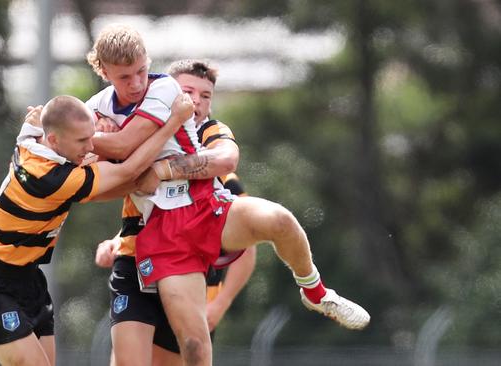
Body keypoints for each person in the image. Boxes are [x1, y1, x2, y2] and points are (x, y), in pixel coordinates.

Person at [85, 24, 370, 366]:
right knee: (193, 346)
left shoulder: (165, 92)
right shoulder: (98, 107)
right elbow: (83, 153)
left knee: (278, 219)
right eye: (124, 77)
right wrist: (64, 132)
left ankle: (316, 291)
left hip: (206, 205)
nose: (136, 84)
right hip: (163, 233)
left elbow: (220, 159)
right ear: (105, 73)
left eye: (141, 71)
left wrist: (114, 149)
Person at [0, 93, 194, 366]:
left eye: (91, 136)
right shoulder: (51, 178)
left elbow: (37, 125)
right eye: (82, 141)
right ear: (55, 140)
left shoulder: (33, 139)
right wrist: (174, 121)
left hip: (30, 280)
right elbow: (129, 171)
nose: (91, 145)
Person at [93, 60, 256, 366]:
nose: (196, 100)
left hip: (189, 274)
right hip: (136, 263)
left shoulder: (218, 164)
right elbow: (144, 209)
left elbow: (245, 248)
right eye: (188, 91)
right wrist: (117, 240)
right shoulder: (144, 137)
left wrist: (219, 304)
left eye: (206, 96)